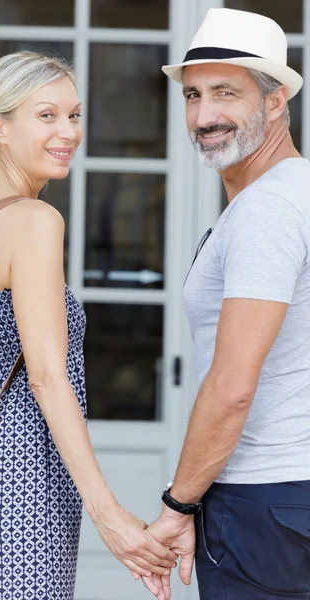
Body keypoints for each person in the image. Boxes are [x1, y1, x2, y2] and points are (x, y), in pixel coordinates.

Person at [0, 51, 177, 600]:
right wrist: (107, 511)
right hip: (18, 478)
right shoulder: (34, 220)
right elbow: (46, 376)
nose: (68, 131)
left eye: (75, 115)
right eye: (47, 116)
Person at [141, 7, 310, 600]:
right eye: (192, 95)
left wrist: (177, 504)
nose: (204, 115)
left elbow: (234, 382)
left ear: (274, 102)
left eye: (225, 93)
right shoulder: (293, 193)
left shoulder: (269, 209)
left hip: (265, 502)